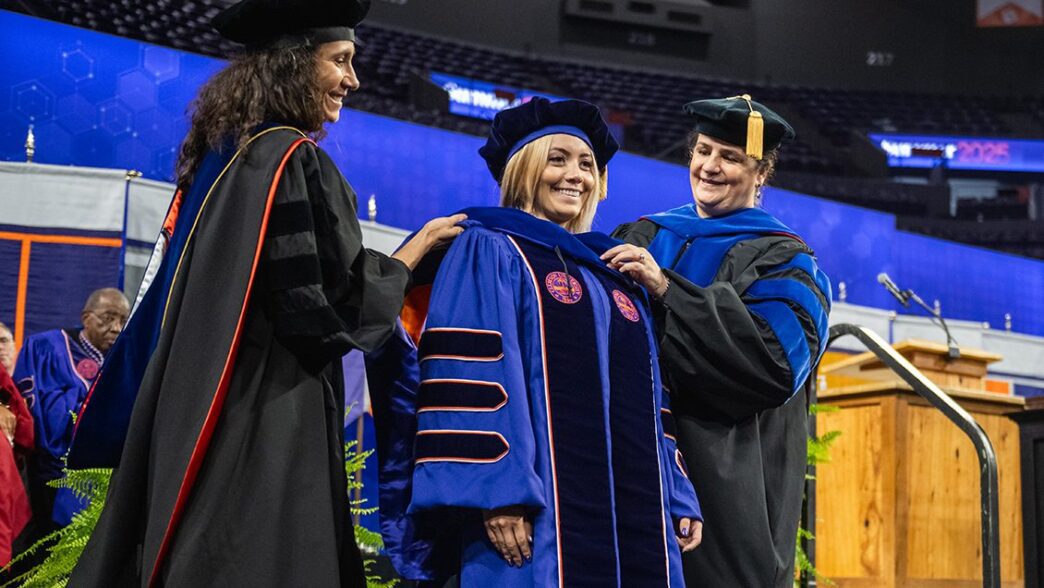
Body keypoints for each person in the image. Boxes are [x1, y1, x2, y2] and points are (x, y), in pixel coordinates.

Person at [66, 0, 464, 585]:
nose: (353, 79)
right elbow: (321, 315)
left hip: (196, 407)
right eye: (340, 60)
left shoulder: (225, 157)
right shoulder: (292, 160)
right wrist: (413, 254)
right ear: (294, 64)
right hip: (268, 412)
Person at [368, 97, 701, 587]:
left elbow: (654, 397)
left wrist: (675, 491)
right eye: (557, 159)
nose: (575, 176)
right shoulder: (489, 247)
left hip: (637, 519)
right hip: (532, 514)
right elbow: (471, 374)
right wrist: (496, 493)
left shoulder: (615, 273)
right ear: (524, 170)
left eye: (586, 164)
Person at [604, 95, 831, 587]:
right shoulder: (645, 236)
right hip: (633, 472)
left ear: (761, 173)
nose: (709, 166)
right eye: (703, 150)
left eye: (730, 156)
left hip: (727, 498)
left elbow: (773, 365)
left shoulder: (787, 264)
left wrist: (668, 291)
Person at [12, 288, 128, 532]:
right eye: (108, 318)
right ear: (86, 317)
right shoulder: (47, 347)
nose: (116, 328)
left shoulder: (124, 361)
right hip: (50, 471)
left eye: (123, 321)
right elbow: (39, 411)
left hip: (101, 476)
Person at [0, 323, 32, 567]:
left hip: (22, 485)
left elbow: (28, 437)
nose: (0, 348)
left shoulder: (29, 388)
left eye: (3, 341)